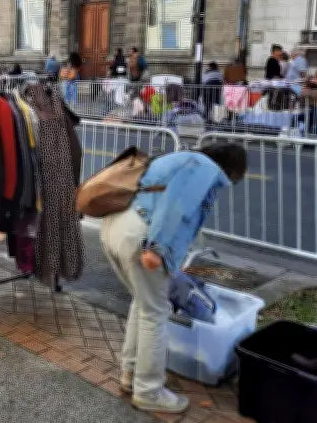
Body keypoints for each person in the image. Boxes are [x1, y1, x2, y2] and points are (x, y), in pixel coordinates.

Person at [101, 144, 247, 414]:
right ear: (231, 169)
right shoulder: (204, 167)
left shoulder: (182, 157)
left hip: (117, 226)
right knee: (155, 313)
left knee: (143, 305)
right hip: (141, 235)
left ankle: (130, 373)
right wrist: (157, 247)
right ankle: (149, 391)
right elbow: (177, 204)